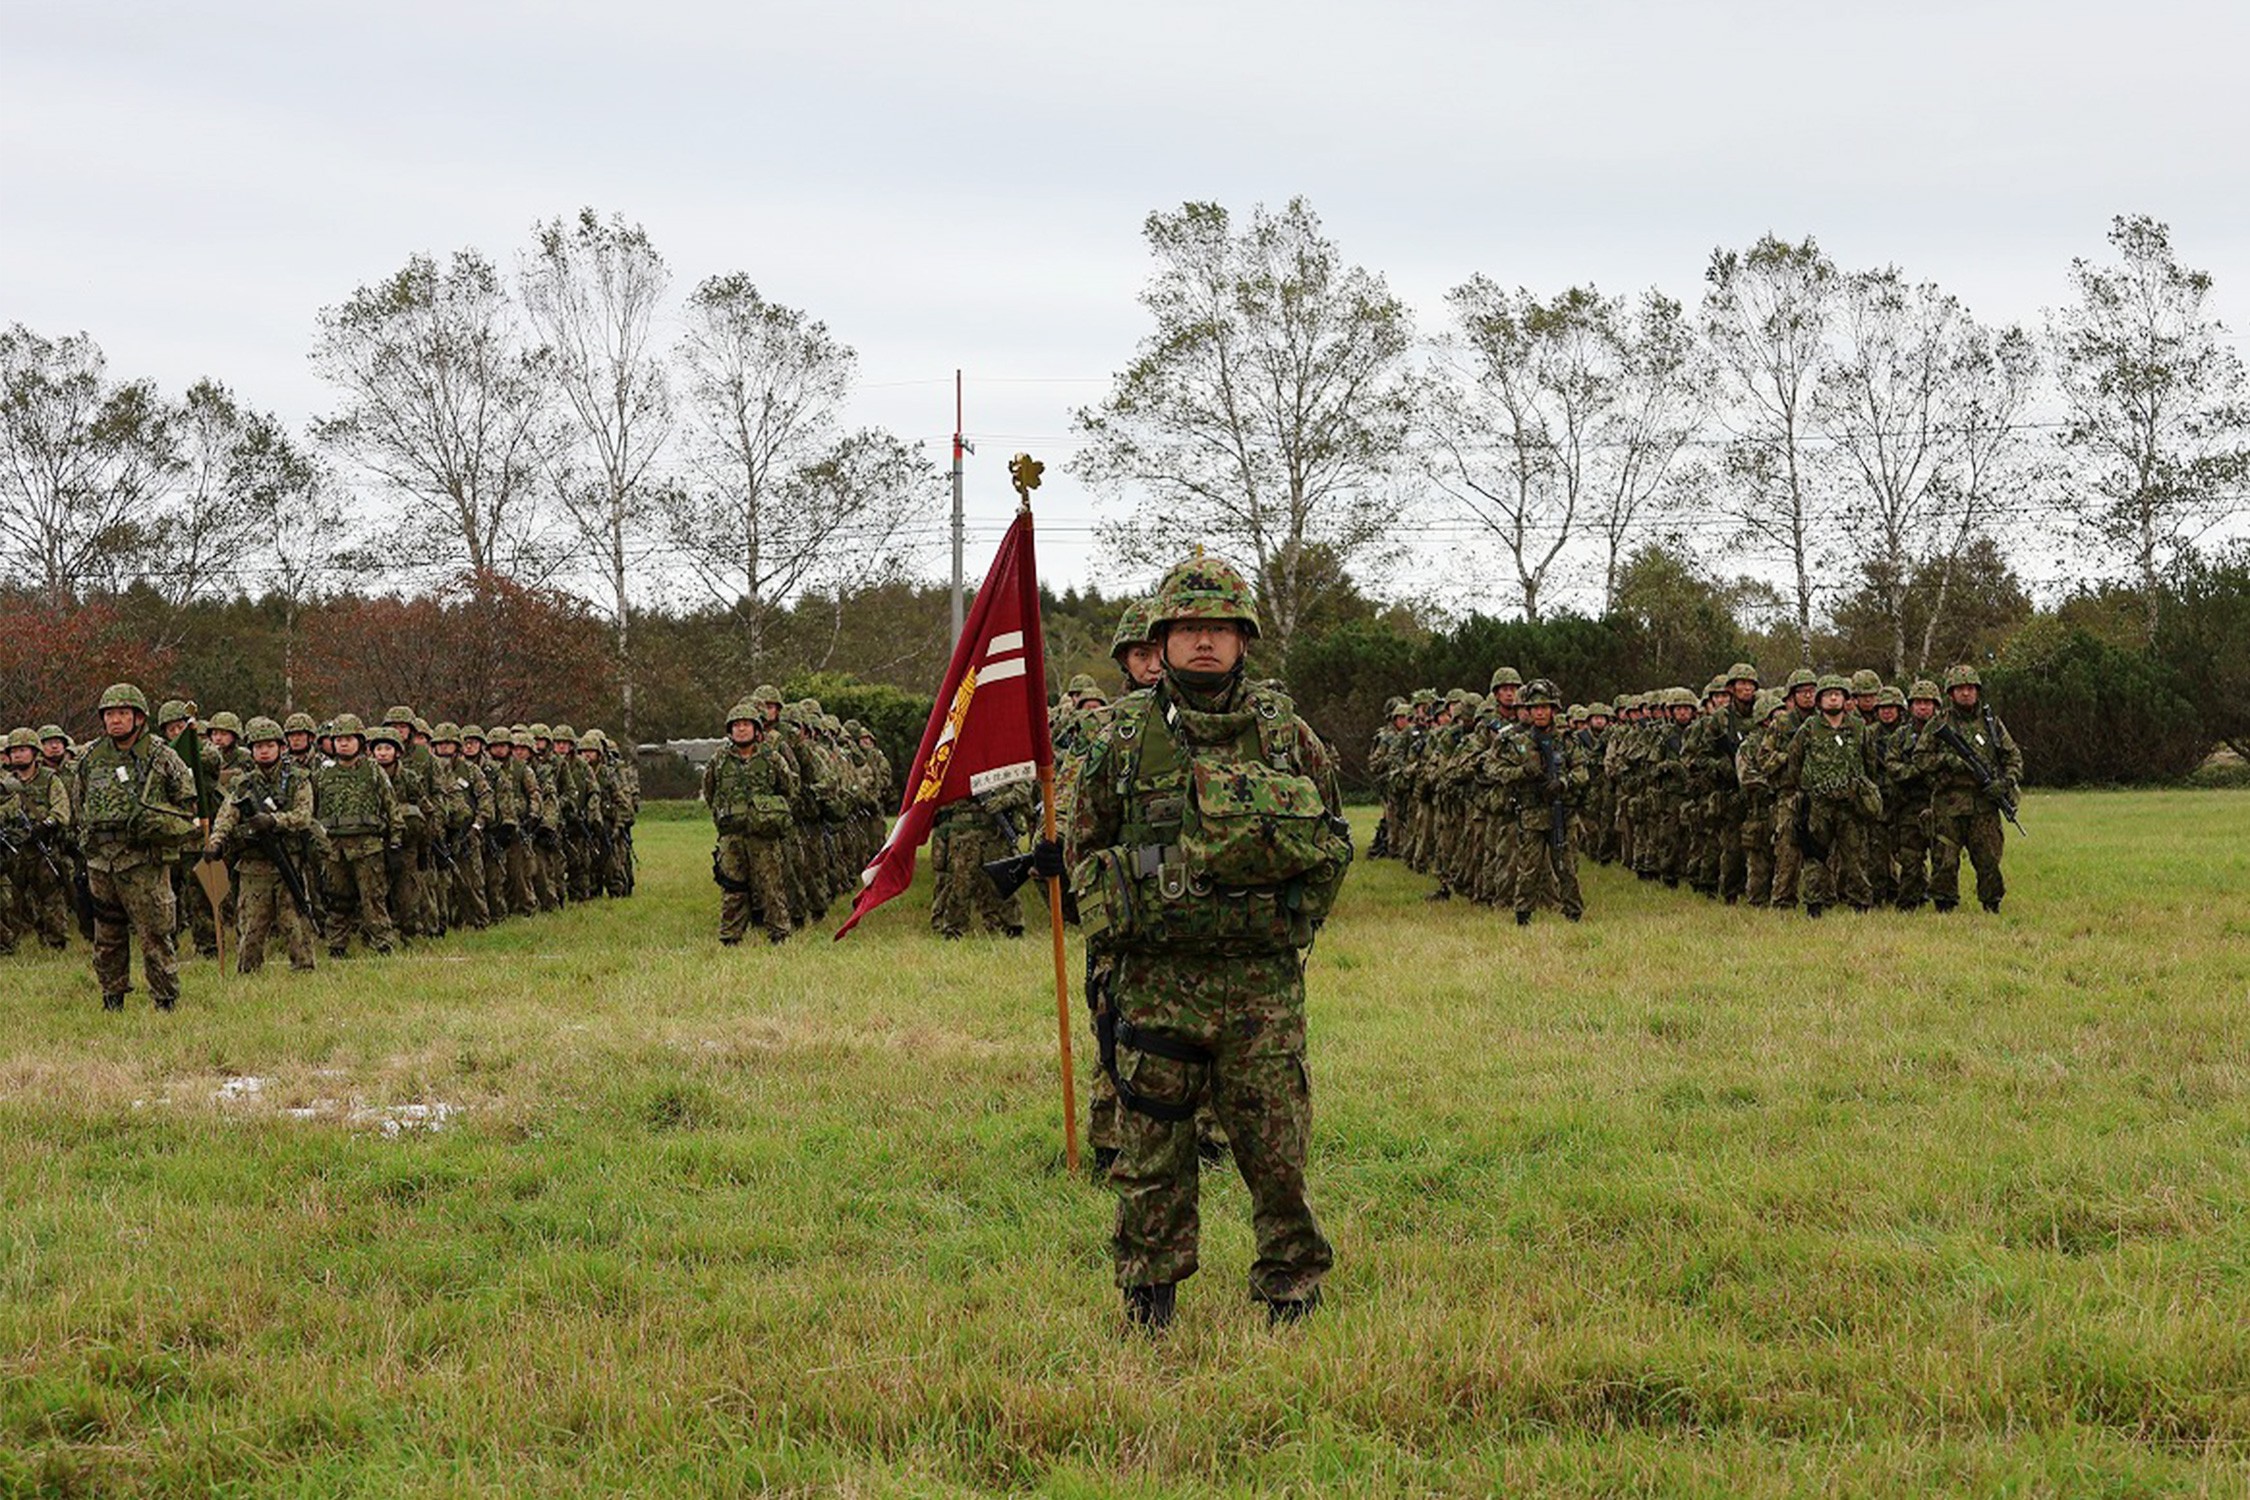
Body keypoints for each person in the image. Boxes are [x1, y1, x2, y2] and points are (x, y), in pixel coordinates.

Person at [1059, 550, 1351, 1331]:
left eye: (1219, 627)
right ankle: (1149, 1293)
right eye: (1187, 627)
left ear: (1244, 639)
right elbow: (1081, 848)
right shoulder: (1121, 736)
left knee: (1275, 1152)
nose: (1203, 642)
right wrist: (1129, 908)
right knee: (1152, 1155)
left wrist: (1292, 916)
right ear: (1163, 635)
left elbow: (1332, 837)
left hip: (1261, 986)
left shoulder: (1286, 735)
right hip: (1158, 981)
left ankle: (1290, 1283)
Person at [72, 684, 199, 1011]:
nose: (115, 720)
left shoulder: (161, 755)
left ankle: (165, 1000)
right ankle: (111, 997)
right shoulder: (90, 756)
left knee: (154, 935)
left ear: (139, 717)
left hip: (143, 861)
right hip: (102, 861)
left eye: (123, 714)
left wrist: (158, 824)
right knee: (107, 936)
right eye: (110, 714)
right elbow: (79, 803)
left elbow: (188, 806)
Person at [205, 716, 317, 973]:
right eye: (258, 746)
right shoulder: (242, 784)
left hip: (287, 861)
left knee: (295, 924)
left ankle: (304, 971)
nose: (263, 751)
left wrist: (274, 821)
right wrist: (215, 842)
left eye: (269, 745)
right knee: (251, 928)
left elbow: (304, 816)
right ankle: (248, 973)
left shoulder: (298, 779)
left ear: (281, 747)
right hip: (253, 867)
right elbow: (227, 815)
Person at [1915, 664, 2023, 913]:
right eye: (1960, 689)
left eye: (1970, 688)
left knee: (1988, 857)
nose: (1966, 693)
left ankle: (1991, 903)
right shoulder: (1938, 723)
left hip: (1984, 803)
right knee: (1945, 859)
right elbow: (1920, 758)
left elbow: (2013, 757)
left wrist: (2004, 783)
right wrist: (1947, 761)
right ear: (1950, 693)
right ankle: (1944, 904)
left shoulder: (1991, 723)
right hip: (1948, 802)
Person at [1784, 674, 1881, 917]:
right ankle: (1815, 904)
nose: (1833, 697)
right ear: (1819, 700)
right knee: (1815, 856)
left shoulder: (1859, 728)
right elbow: (1794, 762)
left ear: (1847, 698)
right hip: (1819, 804)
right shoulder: (1808, 728)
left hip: (1850, 805)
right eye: (1828, 694)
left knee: (1856, 856)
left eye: (1838, 693)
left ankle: (1860, 904)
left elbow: (1870, 763)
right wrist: (1808, 788)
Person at [704, 700, 799, 944]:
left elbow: (788, 789)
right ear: (729, 730)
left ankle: (779, 934)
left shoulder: (772, 759)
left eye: (746, 724)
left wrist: (770, 815)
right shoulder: (719, 760)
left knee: (771, 886)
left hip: (764, 836)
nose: (741, 729)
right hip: (732, 836)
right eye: (736, 725)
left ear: (757, 730)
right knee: (732, 887)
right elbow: (710, 792)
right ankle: (730, 937)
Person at [313, 714, 401, 958]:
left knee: (372, 899)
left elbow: (391, 807)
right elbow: (312, 812)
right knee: (337, 899)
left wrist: (395, 842)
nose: (343, 743)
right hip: (333, 848)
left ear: (360, 742)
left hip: (368, 847)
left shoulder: (373, 771)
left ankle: (382, 943)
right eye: (339, 739)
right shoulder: (322, 774)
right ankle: (337, 946)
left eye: (349, 739)